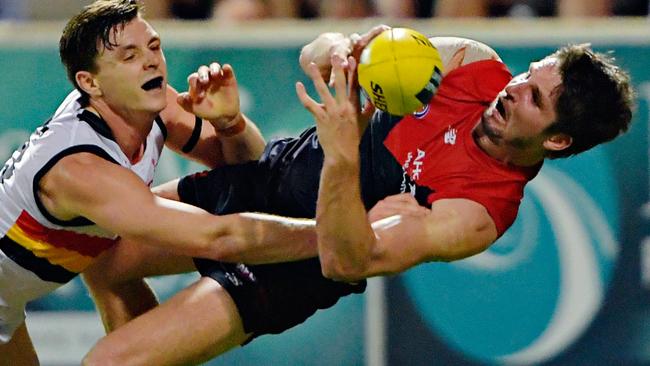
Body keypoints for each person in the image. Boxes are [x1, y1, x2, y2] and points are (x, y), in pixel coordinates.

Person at [82, 26, 634, 365]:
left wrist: (344, 151)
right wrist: (345, 49)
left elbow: (344, 258)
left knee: (110, 362)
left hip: (282, 273)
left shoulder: (478, 214)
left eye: (534, 98)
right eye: (527, 76)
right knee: (97, 257)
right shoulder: (474, 64)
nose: (512, 89)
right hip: (263, 178)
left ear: (557, 140)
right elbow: (316, 53)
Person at [0, 0, 267, 364]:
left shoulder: (154, 104)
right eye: (129, 56)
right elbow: (217, 237)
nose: (151, 60)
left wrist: (230, 122)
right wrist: (325, 241)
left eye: (154, 47)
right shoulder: (79, 167)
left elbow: (252, 169)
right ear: (89, 82)